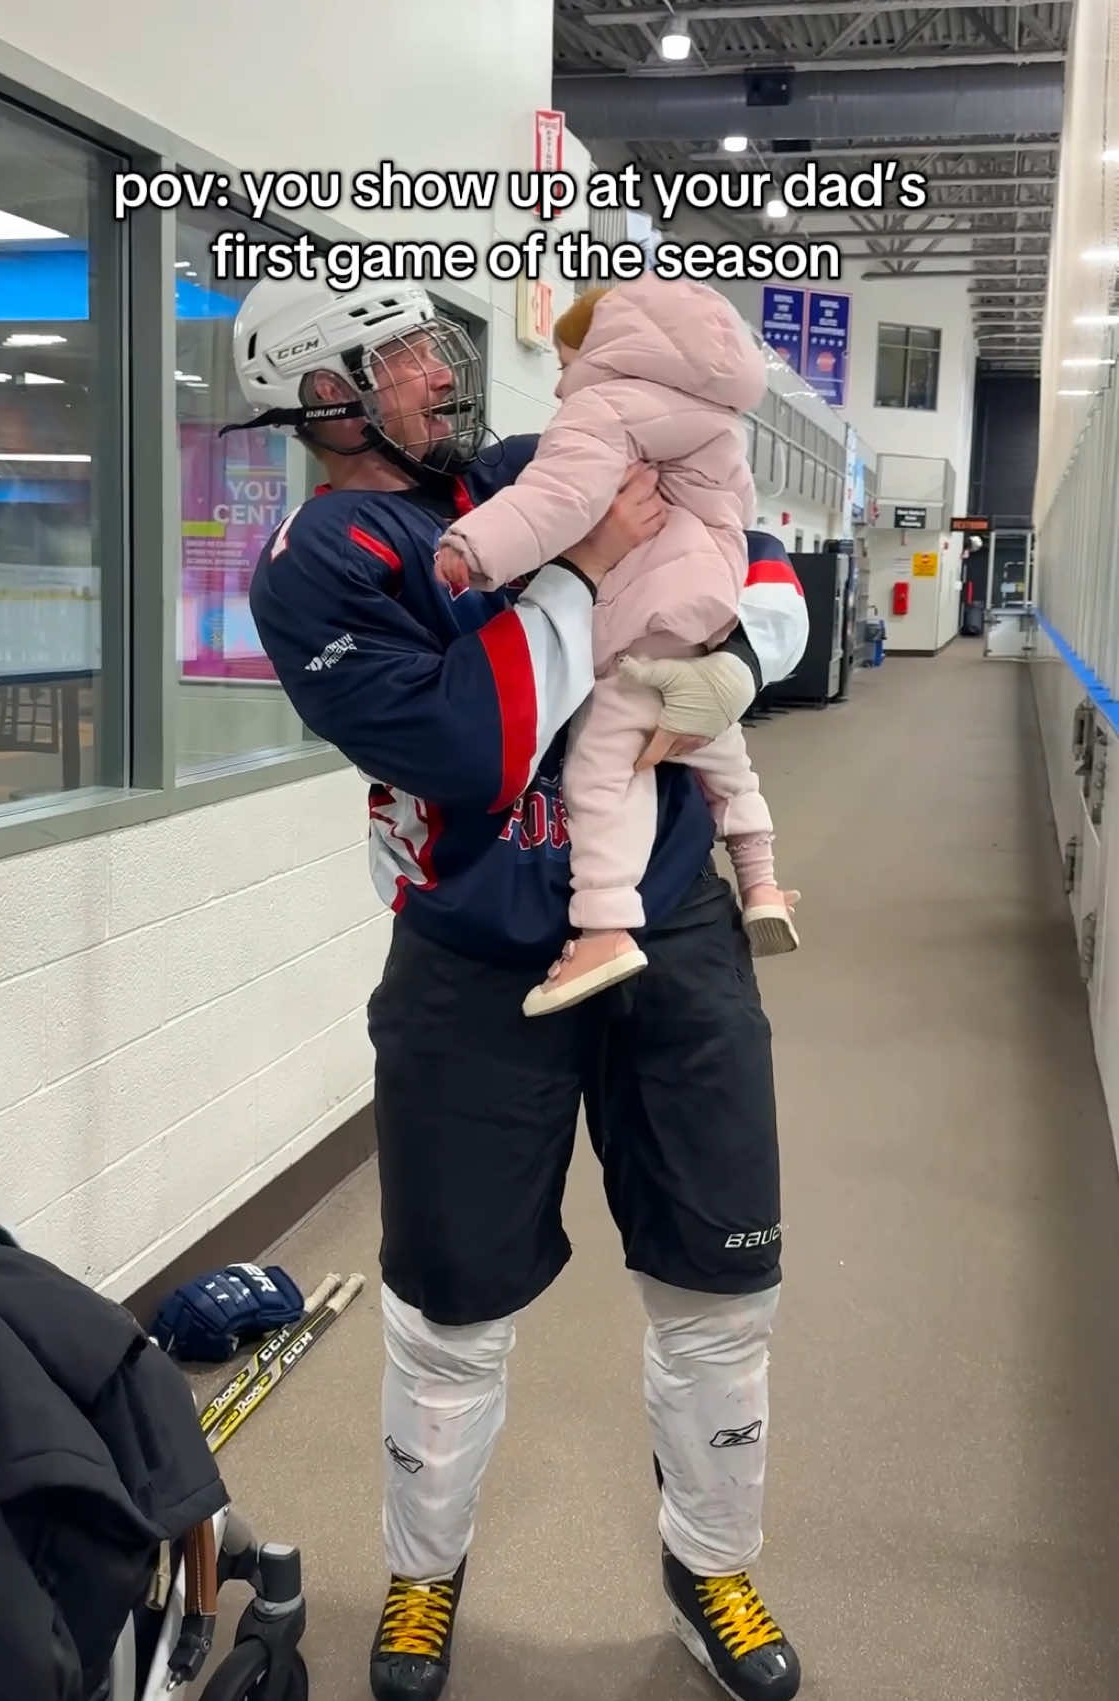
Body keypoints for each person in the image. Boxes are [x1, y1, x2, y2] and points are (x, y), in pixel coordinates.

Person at [227, 261, 808, 1701]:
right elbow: (471, 744)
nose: (446, 370)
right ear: (327, 394)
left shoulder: (528, 470)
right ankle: (424, 1577)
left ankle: (710, 1565)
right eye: (408, 354)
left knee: (721, 1281)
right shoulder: (317, 563)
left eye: (437, 342)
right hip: (474, 967)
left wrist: (733, 654)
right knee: (446, 1304)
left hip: (668, 932)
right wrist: (590, 567)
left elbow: (761, 557)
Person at [433, 277, 801, 1016]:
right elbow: (744, 526)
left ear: (611, 349)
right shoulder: (721, 423)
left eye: (568, 360)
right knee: (722, 755)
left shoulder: (603, 409)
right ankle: (760, 879)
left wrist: (475, 548)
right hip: (706, 624)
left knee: (604, 768)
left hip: (636, 625)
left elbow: (559, 496)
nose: (562, 379)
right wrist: (737, 655)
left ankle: (603, 925)